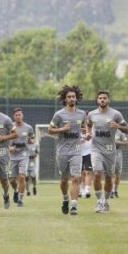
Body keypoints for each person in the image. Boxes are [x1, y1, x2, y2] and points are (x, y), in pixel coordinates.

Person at [87, 90, 128, 213]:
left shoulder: (116, 114)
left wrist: (118, 126)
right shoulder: (91, 114)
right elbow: (88, 126)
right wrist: (88, 133)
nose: (102, 100)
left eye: (105, 98)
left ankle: (106, 202)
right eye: (100, 98)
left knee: (109, 177)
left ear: (108, 100)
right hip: (96, 149)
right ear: (97, 100)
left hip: (110, 151)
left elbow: (127, 128)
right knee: (96, 173)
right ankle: (99, 201)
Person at [48, 85, 87, 215]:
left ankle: (74, 206)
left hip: (76, 150)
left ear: (77, 98)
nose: (71, 99)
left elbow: (84, 129)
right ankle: (65, 199)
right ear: (65, 99)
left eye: (73, 97)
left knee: (76, 178)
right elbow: (50, 130)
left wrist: (86, 135)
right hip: (62, 151)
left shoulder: (82, 114)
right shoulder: (58, 115)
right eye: (69, 97)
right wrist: (62, 129)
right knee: (64, 180)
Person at [9, 108, 35, 207]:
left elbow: (32, 138)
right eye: (16, 115)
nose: (18, 116)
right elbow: (4, 141)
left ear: (22, 115)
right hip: (12, 156)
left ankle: (20, 199)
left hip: (24, 155)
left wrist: (31, 141)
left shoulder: (28, 127)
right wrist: (9, 148)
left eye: (19, 114)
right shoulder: (9, 127)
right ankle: (16, 190)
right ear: (13, 117)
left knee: (22, 176)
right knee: (11, 179)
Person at [111, 129, 128, 198]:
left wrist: (117, 142)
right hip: (108, 155)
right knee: (109, 174)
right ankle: (110, 191)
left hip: (117, 155)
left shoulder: (120, 132)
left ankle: (114, 191)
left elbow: (126, 143)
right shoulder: (106, 130)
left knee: (117, 175)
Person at [80, 111, 92, 198]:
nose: (86, 119)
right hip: (78, 152)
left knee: (88, 171)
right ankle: (81, 189)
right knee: (80, 173)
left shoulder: (93, 128)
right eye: (85, 118)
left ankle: (87, 191)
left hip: (89, 152)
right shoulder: (77, 127)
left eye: (87, 118)